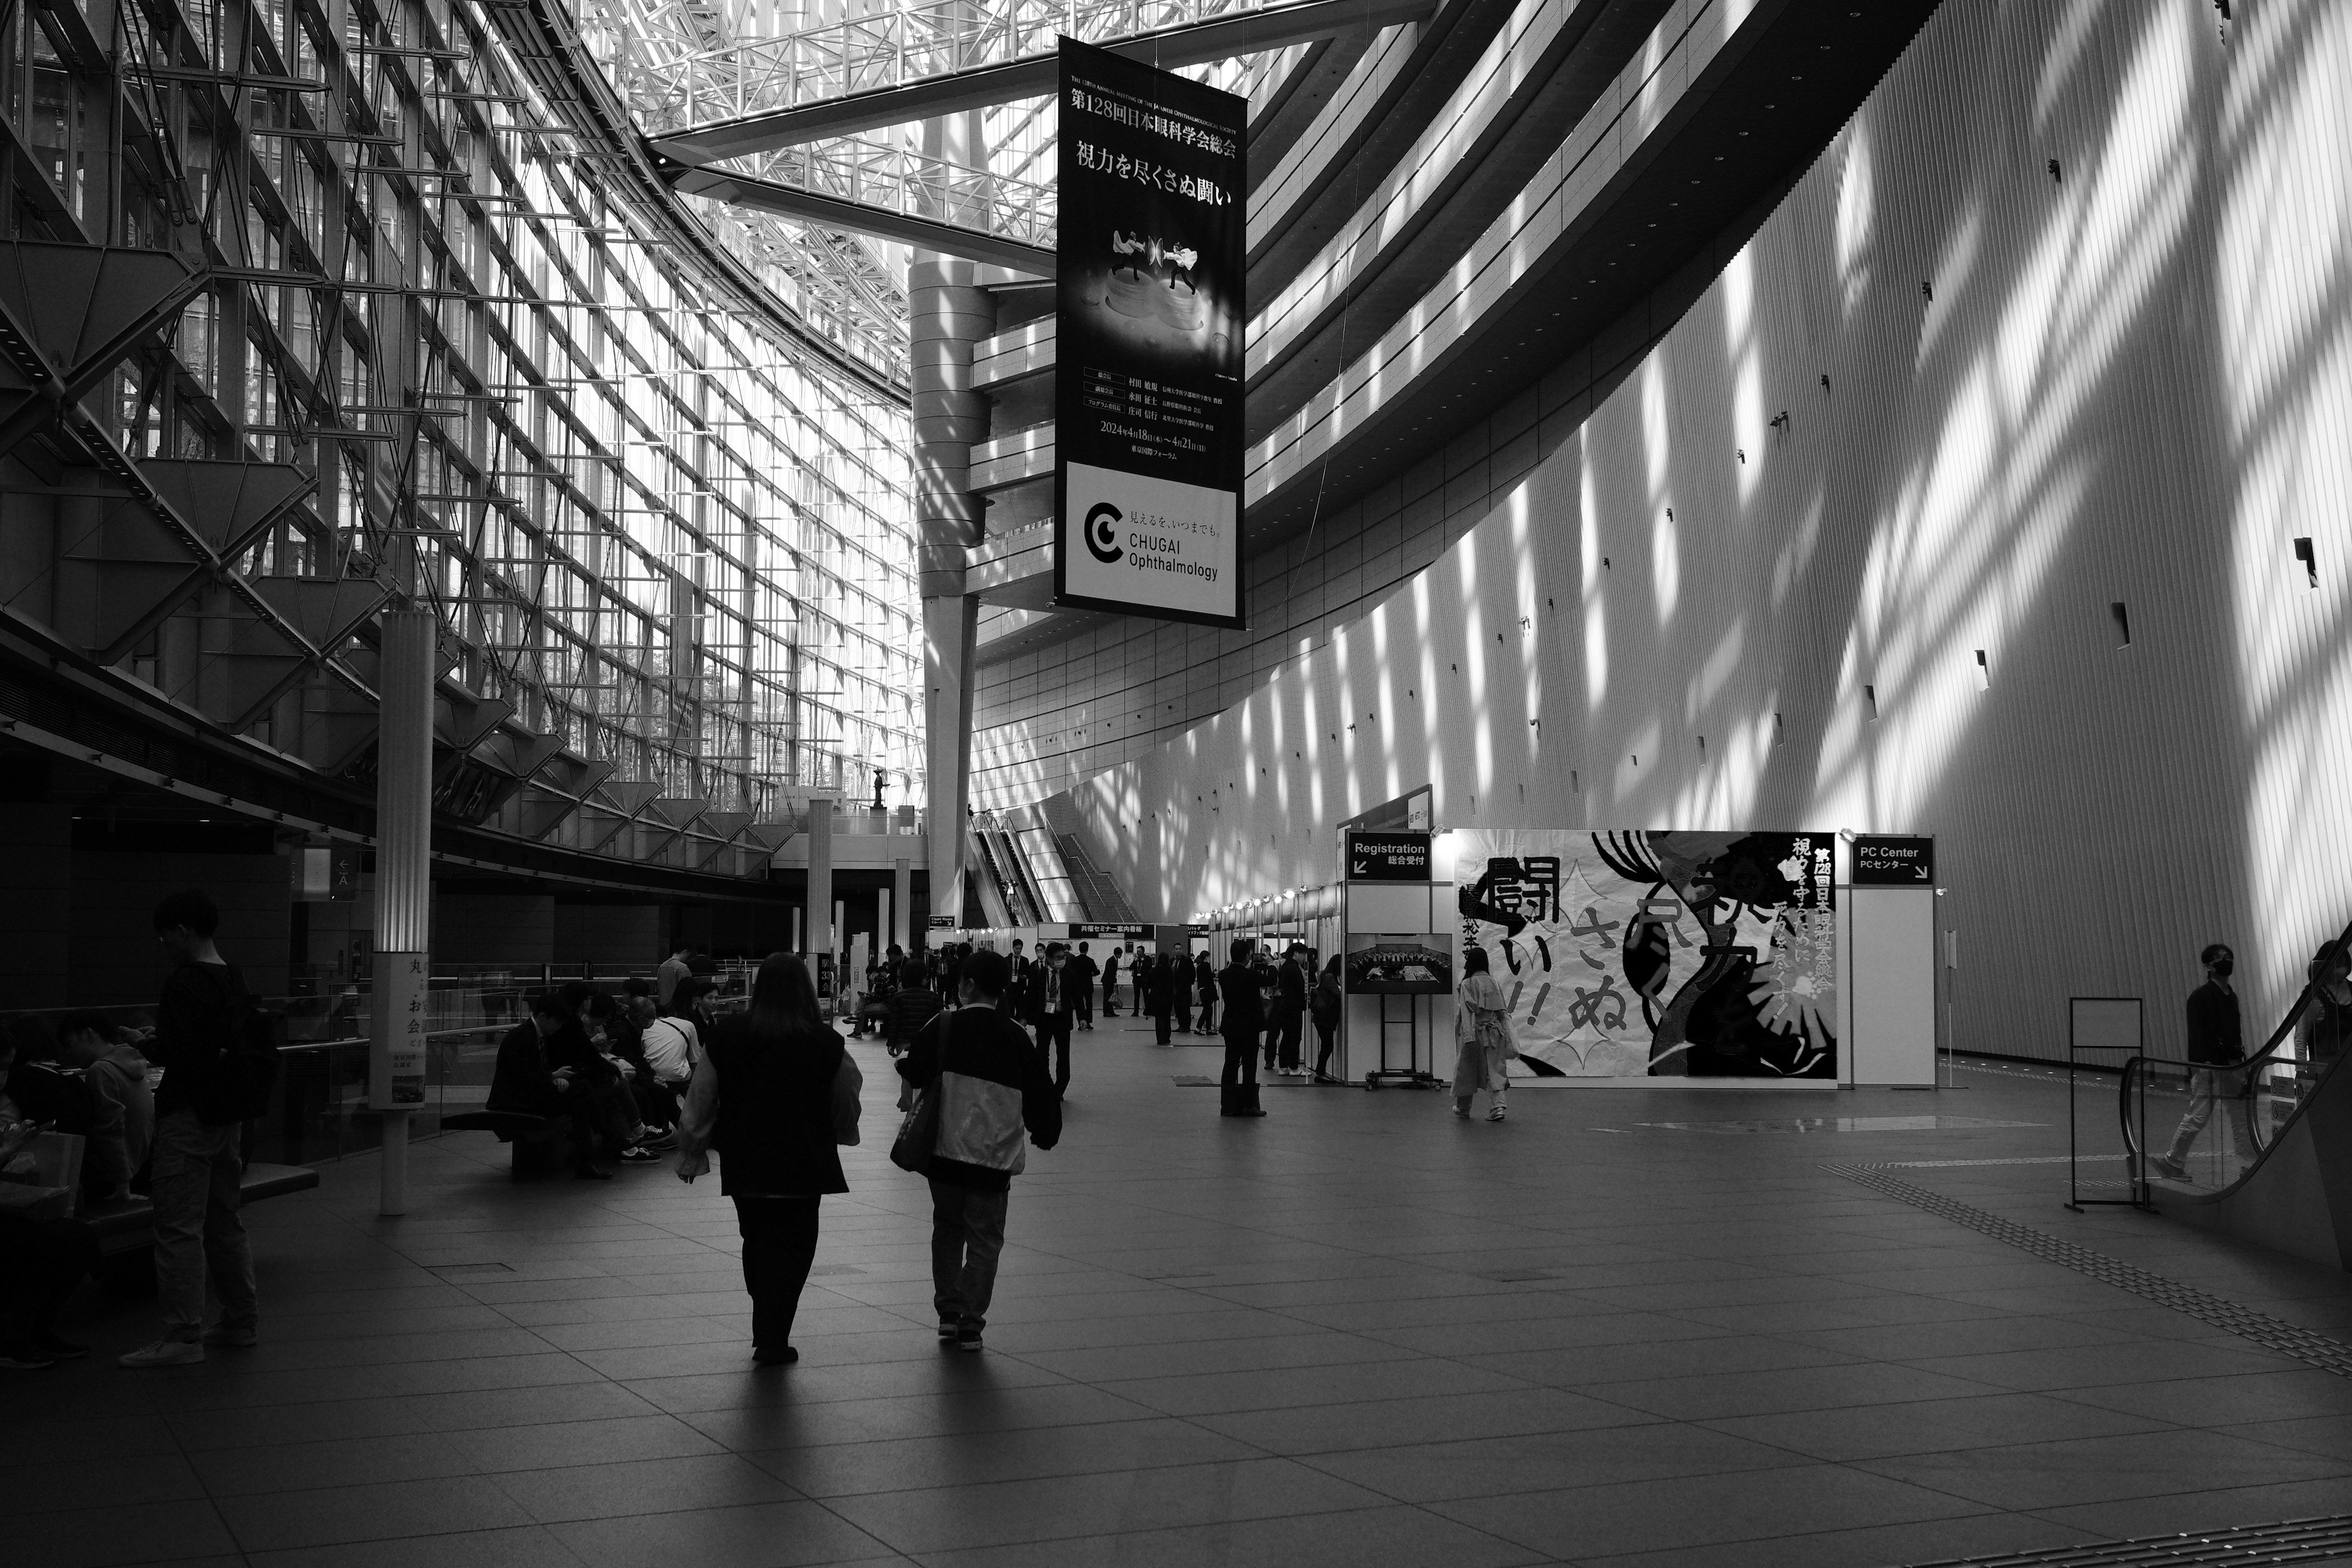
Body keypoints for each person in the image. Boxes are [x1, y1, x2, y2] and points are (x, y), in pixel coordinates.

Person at [676, 954, 861, 1366]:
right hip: (805, 1163)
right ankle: (773, 1336)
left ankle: (767, 1322)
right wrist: (842, 1133)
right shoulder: (825, 1041)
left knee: (756, 1240)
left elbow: (701, 1097)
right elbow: (846, 1097)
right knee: (795, 1250)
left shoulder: (727, 1035)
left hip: (747, 1161)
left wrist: (691, 1153)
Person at [120, 889, 260, 1368]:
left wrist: (145, 1044)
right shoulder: (234, 977)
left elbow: (181, 1054)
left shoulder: (184, 982)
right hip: (228, 1116)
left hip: (188, 1119)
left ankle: (183, 1336)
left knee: (179, 1227)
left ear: (183, 930)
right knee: (225, 1221)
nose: (163, 944)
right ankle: (240, 1320)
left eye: (165, 935)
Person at [895, 948, 1060, 1351]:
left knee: (948, 1230)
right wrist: (1045, 1132)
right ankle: (971, 1322)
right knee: (985, 1239)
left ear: (967, 985)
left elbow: (914, 1068)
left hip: (945, 1154)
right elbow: (1042, 1093)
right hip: (993, 1160)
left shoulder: (944, 1025)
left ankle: (948, 1314)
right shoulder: (1016, 1035)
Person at [489, 989, 638, 1179]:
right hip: (515, 1100)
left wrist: (554, 1077)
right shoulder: (520, 1038)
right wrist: (552, 1076)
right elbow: (520, 1078)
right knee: (583, 1088)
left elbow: (534, 1073)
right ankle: (608, 1138)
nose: (559, 1027)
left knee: (579, 1101)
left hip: (531, 1094)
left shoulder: (537, 1035)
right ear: (544, 1016)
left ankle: (587, 1161)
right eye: (558, 1022)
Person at [2152, 943, 2244, 1180]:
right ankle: (2173, 1160)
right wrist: (2203, 1063)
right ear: (2208, 966)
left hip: (2232, 1065)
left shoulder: (2231, 997)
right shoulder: (2200, 997)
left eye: (2228, 957)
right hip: (2210, 1067)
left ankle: (2247, 1162)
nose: (2226, 962)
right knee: (2198, 1115)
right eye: (2220, 958)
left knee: (2239, 1117)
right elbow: (2197, 1034)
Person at [55, 1012, 154, 1201]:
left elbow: (110, 1130)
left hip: (115, 1180)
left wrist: (122, 1185)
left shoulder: (101, 1071)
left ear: (87, 1034)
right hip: (141, 1169)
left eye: (69, 1043)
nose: (68, 1052)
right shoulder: (130, 1062)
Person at [1453, 948, 1517, 1121]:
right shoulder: (1494, 982)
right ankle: (1498, 1108)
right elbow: (1502, 1010)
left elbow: (1467, 1014)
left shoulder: (1467, 984)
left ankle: (1463, 1108)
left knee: (1467, 1071)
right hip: (1496, 1032)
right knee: (1495, 1070)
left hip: (1475, 1032)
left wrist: (1468, 1037)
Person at [1216, 940, 1266, 1116]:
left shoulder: (1223, 975)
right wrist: (1270, 964)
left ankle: (1228, 1105)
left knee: (1230, 1064)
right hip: (1250, 1027)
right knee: (1249, 1064)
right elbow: (1272, 979)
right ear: (1248, 956)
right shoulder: (1251, 976)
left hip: (1231, 1025)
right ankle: (1248, 1104)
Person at [2295, 941, 2351, 1081]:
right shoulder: (2313, 996)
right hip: (2323, 1071)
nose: (2341, 970)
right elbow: (2301, 1036)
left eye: (2344, 965)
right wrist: (2301, 1071)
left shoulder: (2351, 988)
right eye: (2337, 965)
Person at [1029, 941, 1076, 1096]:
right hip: (1044, 1018)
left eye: (1063, 957)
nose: (1061, 960)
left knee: (1063, 1054)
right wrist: (1023, 1017)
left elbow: (1076, 996)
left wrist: (1083, 1018)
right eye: (1058, 958)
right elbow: (1030, 996)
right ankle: (1045, 1084)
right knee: (1042, 1053)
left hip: (1062, 1018)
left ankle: (1060, 1088)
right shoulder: (1038, 974)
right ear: (1048, 959)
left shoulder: (1069, 974)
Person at [886, 957, 943, 1058]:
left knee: (906, 1069)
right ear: (925, 978)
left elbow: (894, 1022)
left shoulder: (898, 997)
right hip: (927, 1042)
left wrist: (891, 1043)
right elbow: (938, 1023)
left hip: (904, 1041)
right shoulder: (934, 997)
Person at [1273, 944, 1310, 1075]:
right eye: (1303, 954)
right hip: (1294, 1007)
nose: (1305, 957)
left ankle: (1283, 1067)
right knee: (1295, 1036)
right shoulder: (1294, 969)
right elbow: (1300, 988)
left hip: (1284, 1005)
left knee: (1287, 1036)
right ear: (1296, 953)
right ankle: (1294, 1067)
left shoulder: (1284, 967)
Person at [1311, 954, 1344, 1082]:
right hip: (1325, 1017)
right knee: (1327, 1045)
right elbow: (1337, 994)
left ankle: (1320, 1073)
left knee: (1326, 1045)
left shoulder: (1325, 975)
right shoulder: (1330, 977)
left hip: (1321, 1017)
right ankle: (1320, 1074)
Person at [1069, 942, 1098, 1032]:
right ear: (1087, 949)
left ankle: (1081, 1023)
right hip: (1088, 986)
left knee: (1079, 1005)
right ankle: (1088, 1023)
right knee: (1089, 1004)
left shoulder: (1075, 960)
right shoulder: (1090, 960)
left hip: (1077, 986)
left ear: (1079, 949)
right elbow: (1096, 972)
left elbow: (1071, 972)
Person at [657, 943, 695, 1010]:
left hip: (663, 1007)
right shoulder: (683, 968)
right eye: (688, 955)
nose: (687, 958)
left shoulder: (662, 966)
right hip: (678, 1009)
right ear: (685, 952)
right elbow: (688, 991)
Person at [1194, 951, 1218, 1034]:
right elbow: (1210, 975)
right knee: (1207, 1010)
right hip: (1208, 990)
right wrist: (1215, 974)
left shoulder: (1199, 966)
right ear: (1207, 957)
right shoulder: (1206, 965)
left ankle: (1208, 1029)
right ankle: (1198, 1028)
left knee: (1208, 1009)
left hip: (1202, 990)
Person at [1102, 944, 1122, 1017]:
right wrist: (1114, 982)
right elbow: (1111, 972)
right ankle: (1106, 1012)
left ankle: (1111, 1012)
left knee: (1110, 997)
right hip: (1107, 981)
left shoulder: (1115, 960)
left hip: (1109, 981)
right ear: (1117, 954)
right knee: (1107, 997)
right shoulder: (1111, 960)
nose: (1121, 956)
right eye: (1121, 954)